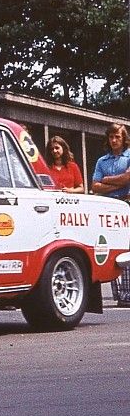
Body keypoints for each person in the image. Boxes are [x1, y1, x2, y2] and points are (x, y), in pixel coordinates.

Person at [92, 123, 130, 306]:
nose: (114, 140)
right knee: (111, 246)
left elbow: (127, 178)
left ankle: (128, 292)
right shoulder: (102, 161)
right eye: (111, 137)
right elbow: (94, 185)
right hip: (108, 205)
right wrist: (117, 182)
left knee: (128, 247)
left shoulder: (129, 157)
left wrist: (107, 180)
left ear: (124, 139)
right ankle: (117, 294)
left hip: (127, 201)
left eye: (118, 137)